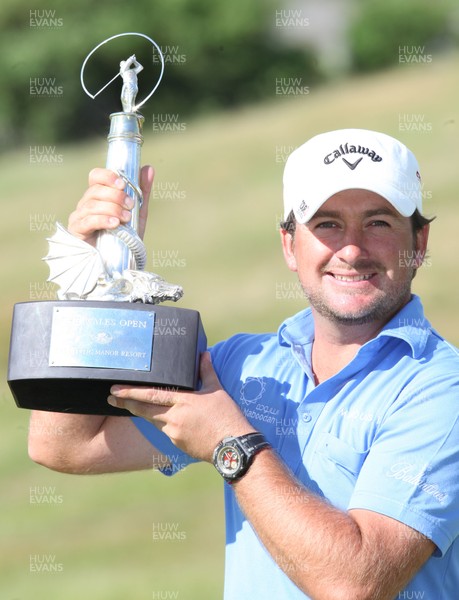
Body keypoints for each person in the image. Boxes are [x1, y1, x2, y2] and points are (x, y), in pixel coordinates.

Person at [28, 129, 459, 600]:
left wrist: (230, 444)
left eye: (378, 222)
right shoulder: (244, 365)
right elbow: (66, 445)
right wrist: (93, 281)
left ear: (419, 241)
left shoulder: (441, 389)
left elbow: (354, 583)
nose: (352, 249)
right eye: (327, 224)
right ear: (290, 245)